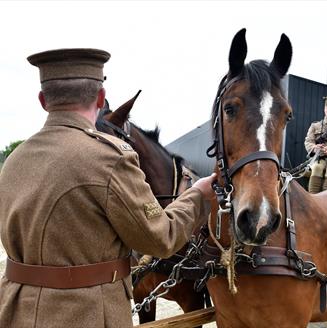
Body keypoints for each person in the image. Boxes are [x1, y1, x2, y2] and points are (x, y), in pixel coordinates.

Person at [0, 48, 216, 327]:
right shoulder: (109, 158)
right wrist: (198, 195)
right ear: (100, 98)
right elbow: (161, 239)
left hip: (15, 313)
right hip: (85, 316)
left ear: (43, 100)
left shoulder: (14, 161)